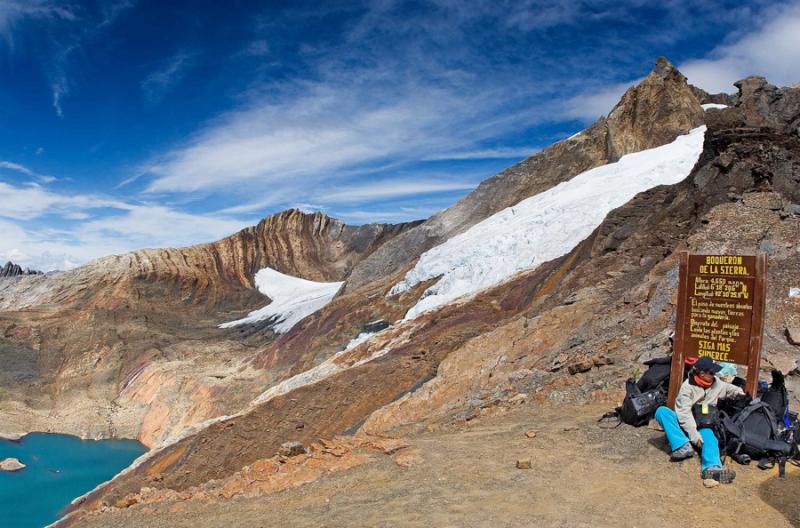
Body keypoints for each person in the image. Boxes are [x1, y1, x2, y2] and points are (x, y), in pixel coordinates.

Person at [654, 356, 744, 483]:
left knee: (709, 437)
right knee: (662, 412)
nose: (714, 375)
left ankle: (712, 469)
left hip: (704, 423)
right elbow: (684, 414)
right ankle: (682, 446)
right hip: (687, 423)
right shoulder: (687, 387)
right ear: (702, 374)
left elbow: (729, 389)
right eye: (712, 372)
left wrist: (739, 393)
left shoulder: (716, 382)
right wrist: (694, 435)